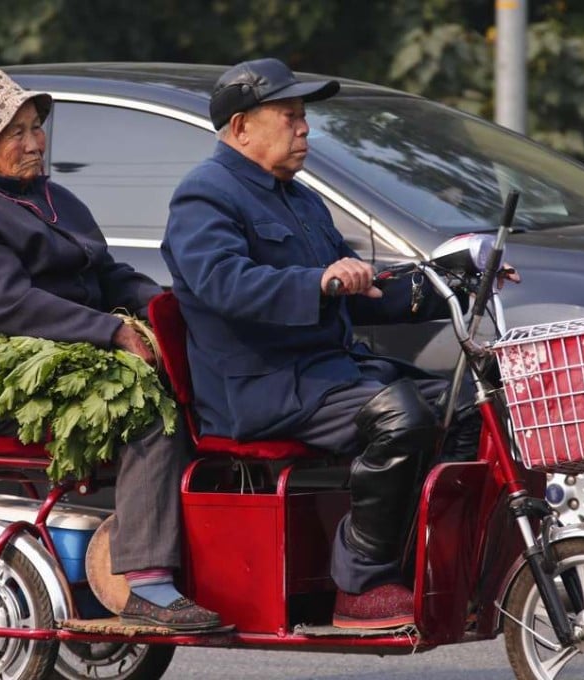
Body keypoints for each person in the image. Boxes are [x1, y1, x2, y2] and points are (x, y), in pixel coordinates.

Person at [162, 58, 518, 630]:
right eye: (290, 116)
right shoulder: (205, 195)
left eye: (304, 116)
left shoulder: (298, 199)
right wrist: (318, 281)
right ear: (241, 127)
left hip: (328, 374)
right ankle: (360, 586)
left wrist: (455, 280)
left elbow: (359, 290)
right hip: (261, 388)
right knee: (399, 417)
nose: (304, 128)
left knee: (467, 405)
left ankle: (431, 562)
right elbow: (221, 285)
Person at [0, 67, 220, 632]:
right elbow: (13, 307)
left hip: (74, 359)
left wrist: (172, 311)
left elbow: (108, 275)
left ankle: (211, 562)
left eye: (36, 127)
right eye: (16, 132)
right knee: (147, 414)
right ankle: (147, 582)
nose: (35, 142)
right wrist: (111, 332)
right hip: (13, 387)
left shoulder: (54, 198)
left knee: (204, 385)